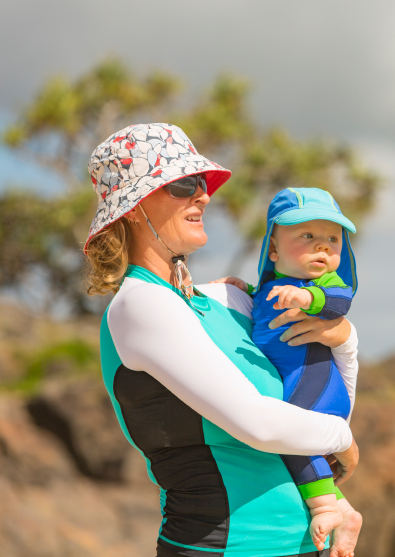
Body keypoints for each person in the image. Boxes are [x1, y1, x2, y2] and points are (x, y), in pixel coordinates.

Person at [84, 123, 360, 557]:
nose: (204, 196)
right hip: (225, 547)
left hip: (310, 545)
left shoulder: (229, 299)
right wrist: (341, 439)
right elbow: (259, 424)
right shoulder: (140, 306)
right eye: (184, 185)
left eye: (203, 184)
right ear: (133, 208)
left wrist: (345, 342)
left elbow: (316, 391)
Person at [212, 188, 362, 556]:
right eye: (307, 236)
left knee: (292, 436)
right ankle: (343, 510)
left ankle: (324, 508)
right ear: (274, 250)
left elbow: (341, 300)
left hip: (316, 382)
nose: (323, 248)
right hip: (301, 382)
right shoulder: (273, 287)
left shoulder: (321, 287)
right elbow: (266, 298)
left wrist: (310, 300)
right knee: (291, 445)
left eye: (332, 239)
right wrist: (242, 288)